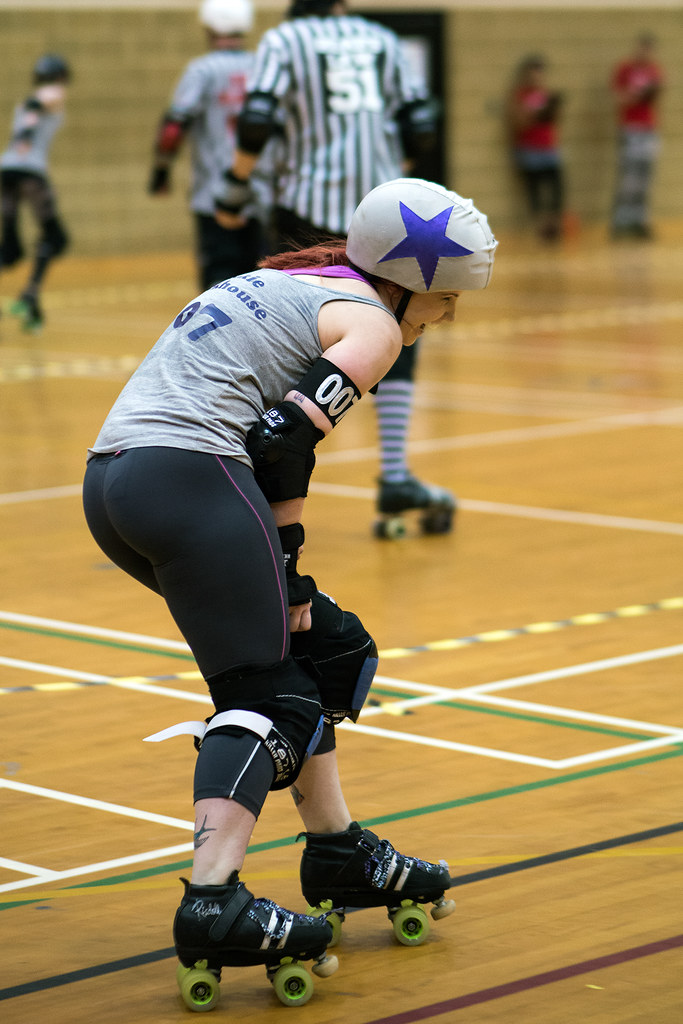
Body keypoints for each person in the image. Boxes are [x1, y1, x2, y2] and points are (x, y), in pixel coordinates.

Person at [82, 177, 497, 1007]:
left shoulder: (294, 281)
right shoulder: (373, 324)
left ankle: (336, 851)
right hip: (193, 479)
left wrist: (290, 577)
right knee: (274, 697)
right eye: (445, 300)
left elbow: (269, 437)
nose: (444, 318)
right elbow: (281, 444)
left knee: (310, 654)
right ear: (410, 283)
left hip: (116, 485)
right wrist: (290, 562)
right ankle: (213, 899)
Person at [215, 0, 454, 536]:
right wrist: (399, 172)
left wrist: (232, 191)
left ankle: (252, 478)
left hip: (308, 209)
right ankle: (394, 473)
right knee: (397, 329)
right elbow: (420, 124)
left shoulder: (286, 40)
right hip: (384, 213)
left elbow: (256, 121)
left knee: (291, 336)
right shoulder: (380, 38)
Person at [147, 0, 266, 290]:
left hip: (215, 195)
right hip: (262, 195)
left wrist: (161, 171)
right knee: (261, 283)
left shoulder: (202, 70)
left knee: (219, 283)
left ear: (210, 27)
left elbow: (174, 127)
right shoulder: (262, 66)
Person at [0, 53, 71, 331]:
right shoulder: (50, 92)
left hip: (7, 171)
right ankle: (30, 295)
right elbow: (44, 99)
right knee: (56, 237)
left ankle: (31, 303)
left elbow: (32, 107)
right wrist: (33, 124)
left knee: (10, 249)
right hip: (30, 172)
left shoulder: (22, 106)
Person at [610, 33, 664, 239]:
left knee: (645, 177)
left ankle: (640, 221)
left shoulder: (654, 70)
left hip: (649, 127)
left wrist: (651, 93)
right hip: (630, 128)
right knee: (628, 177)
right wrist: (636, 96)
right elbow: (618, 97)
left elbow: (657, 97)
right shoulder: (625, 69)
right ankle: (619, 221)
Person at [506, 54, 564, 242]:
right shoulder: (520, 96)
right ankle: (539, 226)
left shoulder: (546, 93)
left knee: (556, 187)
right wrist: (534, 115)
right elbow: (518, 123)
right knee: (535, 189)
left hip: (549, 147)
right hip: (529, 149)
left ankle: (554, 224)